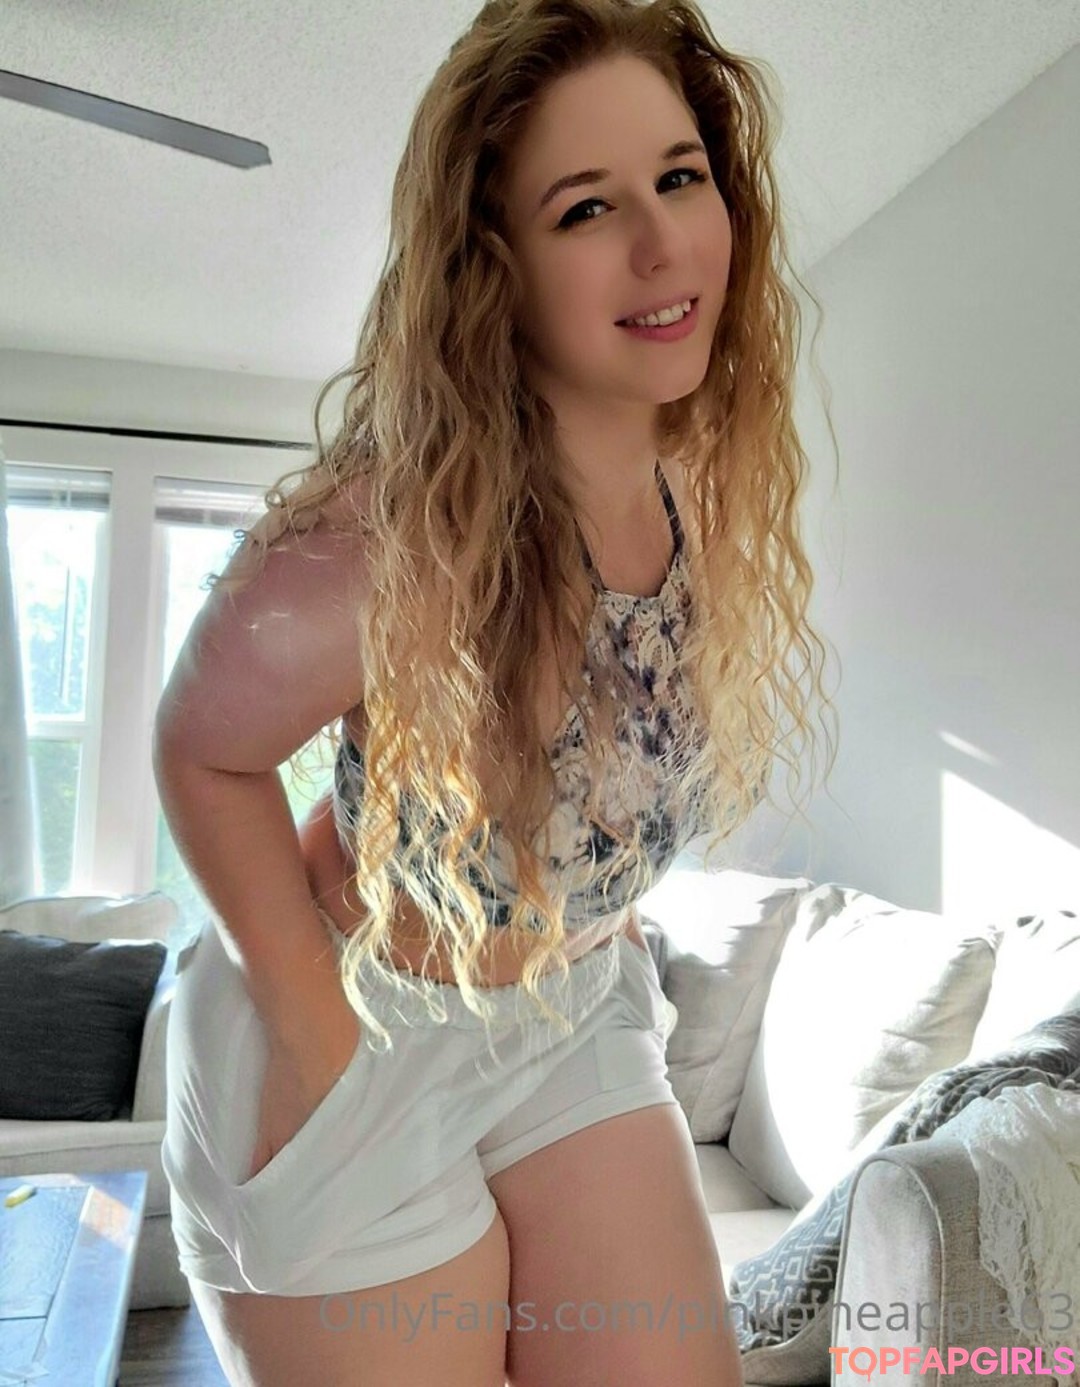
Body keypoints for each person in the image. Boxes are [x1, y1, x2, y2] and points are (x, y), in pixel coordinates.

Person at [154, 0, 837, 1383]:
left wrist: (594, 912)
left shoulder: (703, 478)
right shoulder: (377, 540)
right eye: (586, 208)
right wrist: (319, 1033)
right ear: (493, 263)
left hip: (568, 1012)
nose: (661, 245)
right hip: (351, 1026)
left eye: (680, 177)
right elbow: (199, 752)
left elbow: (605, 750)